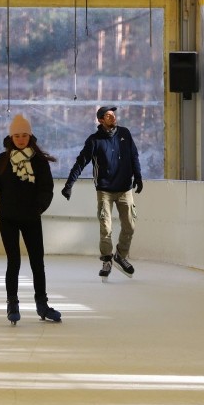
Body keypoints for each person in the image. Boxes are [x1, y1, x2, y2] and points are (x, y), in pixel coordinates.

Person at [0, 113, 62, 325]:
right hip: (8, 218)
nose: (21, 139)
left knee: (37, 262)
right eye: (17, 136)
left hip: (31, 218)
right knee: (14, 262)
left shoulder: (38, 162)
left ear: (30, 137)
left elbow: (46, 189)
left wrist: (39, 206)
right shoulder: (2, 162)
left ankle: (42, 304)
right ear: (11, 137)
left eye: (24, 135)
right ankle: (12, 303)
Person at [61, 106, 143, 282]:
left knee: (130, 225)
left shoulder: (125, 133)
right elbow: (80, 162)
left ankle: (120, 256)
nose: (112, 116)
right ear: (100, 120)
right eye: (108, 115)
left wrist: (138, 176)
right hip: (105, 190)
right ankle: (106, 260)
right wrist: (69, 185)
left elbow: (134, 156)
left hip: (125, 188)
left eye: (113, 114)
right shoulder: (94, 140)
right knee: (106, 227)